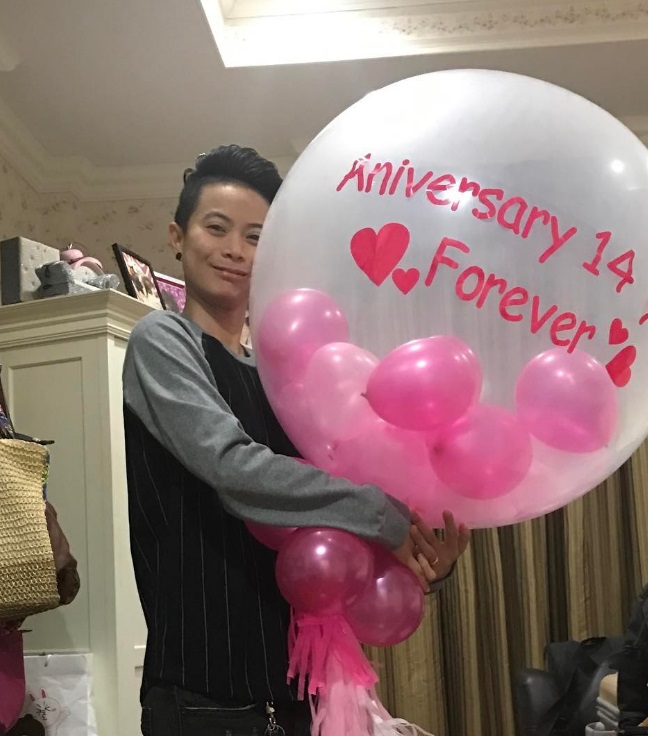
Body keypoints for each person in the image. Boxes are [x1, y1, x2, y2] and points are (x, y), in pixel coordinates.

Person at [122, 145, 470, 736]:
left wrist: (416, 558)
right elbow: (233, 468)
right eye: (217, 228)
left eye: (256, 237)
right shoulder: (162, 340)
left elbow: (324, 526)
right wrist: (377, 512)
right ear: (177, 238)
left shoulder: (282, 377)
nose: (235, 250)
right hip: (202, 699)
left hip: (302, 693)